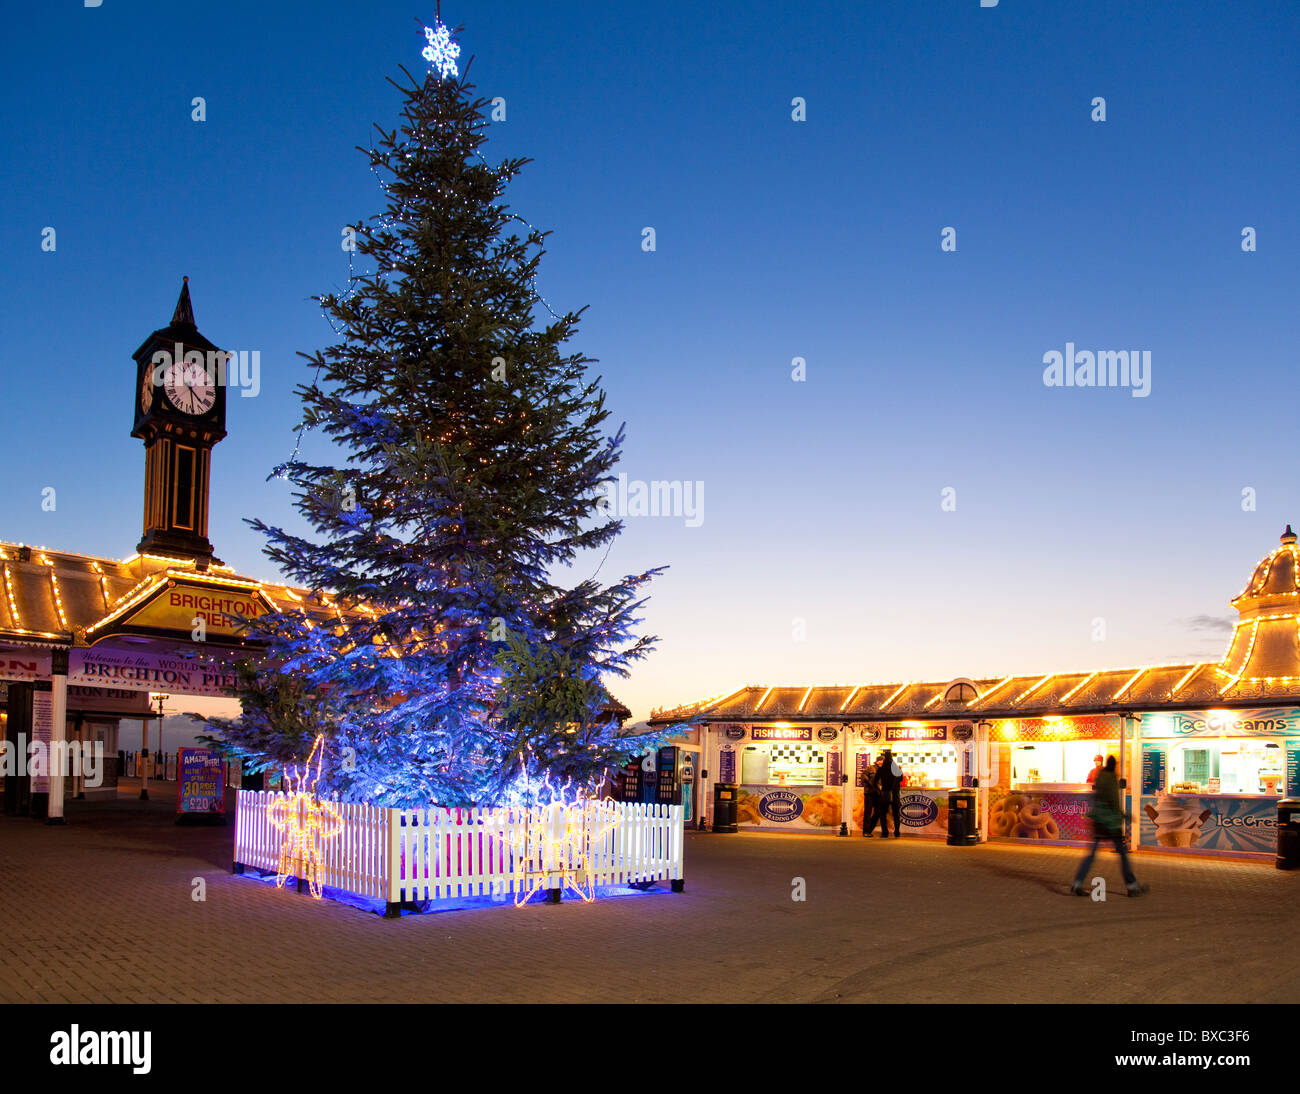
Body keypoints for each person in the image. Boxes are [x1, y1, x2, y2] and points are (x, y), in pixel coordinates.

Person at [1071, 756, 1148, 897]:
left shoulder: (1100, 776)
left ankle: (1077, 883)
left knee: (1091, 855)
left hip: (1098, 820)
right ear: (1115, 766)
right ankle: (1132, 886)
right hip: (1111, 823)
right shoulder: (1112, 778)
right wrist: (1125, 816)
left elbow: (1097, 795)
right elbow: (1114, 801)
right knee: (1123, 855)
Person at [877, 750, 903, 838]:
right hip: (895, 793)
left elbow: (875, 780)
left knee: (883, 813)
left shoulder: (882, 768)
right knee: (896, 813)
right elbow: (901, 779)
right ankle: (897, 832)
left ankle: (885, 832)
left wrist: (879, 788)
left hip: (885, 793)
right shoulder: (895, 767)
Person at [860, 759, 881, 836]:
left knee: (878, 812)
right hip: (869, 792)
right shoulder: (870, 768)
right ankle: (866, 831)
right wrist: (870, 782)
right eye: (881, 761)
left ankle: (869, 829)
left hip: (878, 793)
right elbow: (863, 776)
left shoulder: (883, 770)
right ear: (878, 761)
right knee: (867, 812)